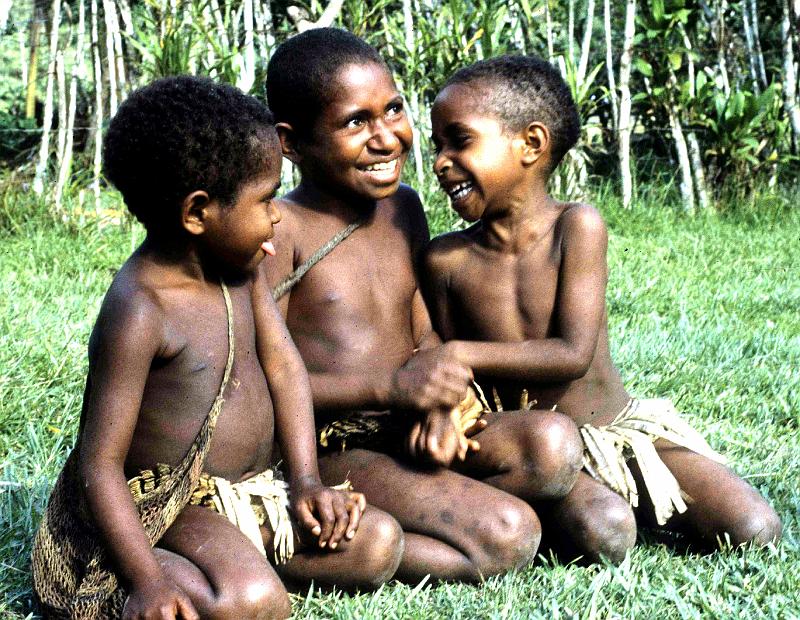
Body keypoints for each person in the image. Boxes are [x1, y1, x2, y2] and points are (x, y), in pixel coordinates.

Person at [31, 76, 403, 620]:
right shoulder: (141, 308)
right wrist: (147, 580)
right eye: (267, 199)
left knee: (376, 543)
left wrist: (305, 483)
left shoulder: (240, 271)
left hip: (253, 492)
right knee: (252, 602)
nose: (277, 215)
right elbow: (101, 463)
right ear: (198, 212)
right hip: (169, 506)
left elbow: (285, 368)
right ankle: (133, 572)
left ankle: (233, 563)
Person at [422, 55, 782, 564]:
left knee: (754, 527)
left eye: (459, 141)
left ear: (531, 144)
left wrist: (459, 353)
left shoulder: (577, 226)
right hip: (536, 447)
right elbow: (445, 368)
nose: (440, 161)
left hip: (616, 434)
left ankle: (597, 497)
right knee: (606, 533)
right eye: (438, 145)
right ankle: (544, 499)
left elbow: (571, 354)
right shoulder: (446, 259)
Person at [264, 28, 584, 583]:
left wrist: (438, 403)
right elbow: (259, 378)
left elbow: (423, 333)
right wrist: (390, 390)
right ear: (290, 143)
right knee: (509, 534)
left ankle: (428, 507)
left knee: (552, 446)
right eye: (355, 122)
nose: (387, 137)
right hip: (336, 442)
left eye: (393, 109)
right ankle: (343, 541)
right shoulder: (280, 229)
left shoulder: (402, 208)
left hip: (408, 421)